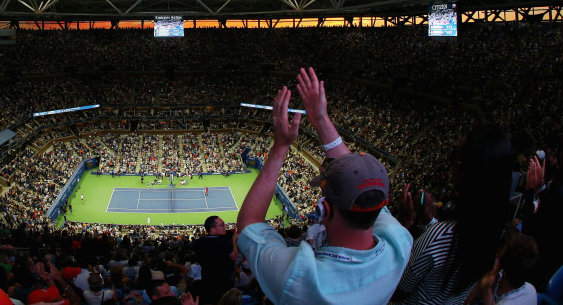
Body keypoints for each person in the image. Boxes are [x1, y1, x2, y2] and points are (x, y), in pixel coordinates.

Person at [236, 67, 412, 304]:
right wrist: (320, 119)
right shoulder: (399, 242)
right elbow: (357, 180)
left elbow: (248, 224)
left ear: (325, 210)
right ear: (383, 203)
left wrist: (280, 147)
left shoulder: (299, 278)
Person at [394, 124, 513, 304]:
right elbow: (458, 243)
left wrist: (401, 226)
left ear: (466, 173)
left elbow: (398, 289)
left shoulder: (438, 237)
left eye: (455, 159)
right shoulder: (493, 233)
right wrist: (430, 222)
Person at [190, 217, 237, 305]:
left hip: (208, 280)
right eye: (222, 225)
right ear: (212, 229)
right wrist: (234, 240)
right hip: (225, 282)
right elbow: (234, 257)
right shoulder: (225, 243)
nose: (225, 226)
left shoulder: (198, 243)